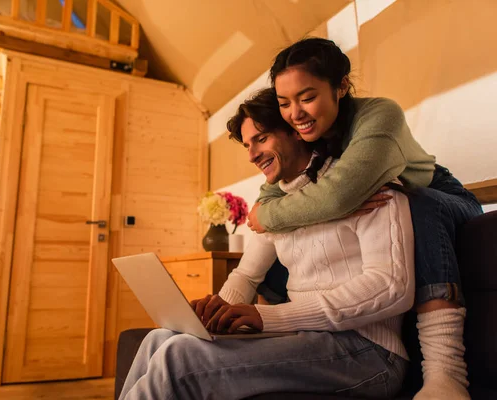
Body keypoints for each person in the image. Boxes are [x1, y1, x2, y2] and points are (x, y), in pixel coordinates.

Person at [119, 88, 415, 400]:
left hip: (368, 351)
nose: (251, 155)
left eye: (261, 139)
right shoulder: (275, 206)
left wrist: (270, 316)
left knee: (178, 357)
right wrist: (214, 320)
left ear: (297, 131)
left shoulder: (367, 189)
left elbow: (390, 287)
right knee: (160, 339)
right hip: (305, 336)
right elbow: (247, 275)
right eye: (247, 145)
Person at [248, 38, 483, 400]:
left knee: (413, 201)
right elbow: (271, 198)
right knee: (294, 230)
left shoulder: (380, 116)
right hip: (389, 199)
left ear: (341, 86)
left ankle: (446, 373)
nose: (295, 113)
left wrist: (276, 214)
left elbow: (340, 195)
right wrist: (273, 213)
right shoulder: (306, 132)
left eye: (306, 97)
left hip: (442, 198)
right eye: (284, 103)